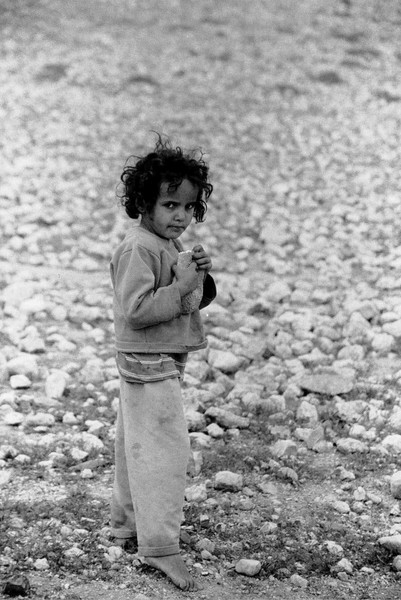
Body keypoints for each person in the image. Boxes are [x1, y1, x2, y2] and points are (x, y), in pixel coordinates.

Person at [109, 135, 216, 591]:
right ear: (143, 203)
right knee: (164, 453)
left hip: (152, 360)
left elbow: (187, 299)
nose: (180, 216)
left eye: (189, 208)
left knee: (135, 443)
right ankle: (161, 548)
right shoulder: (140, 247)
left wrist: (198, 277)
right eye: (170, 204)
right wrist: (179, 287)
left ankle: (129, 527)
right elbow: (136, 308)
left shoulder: (161, 245)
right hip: (149, 362)